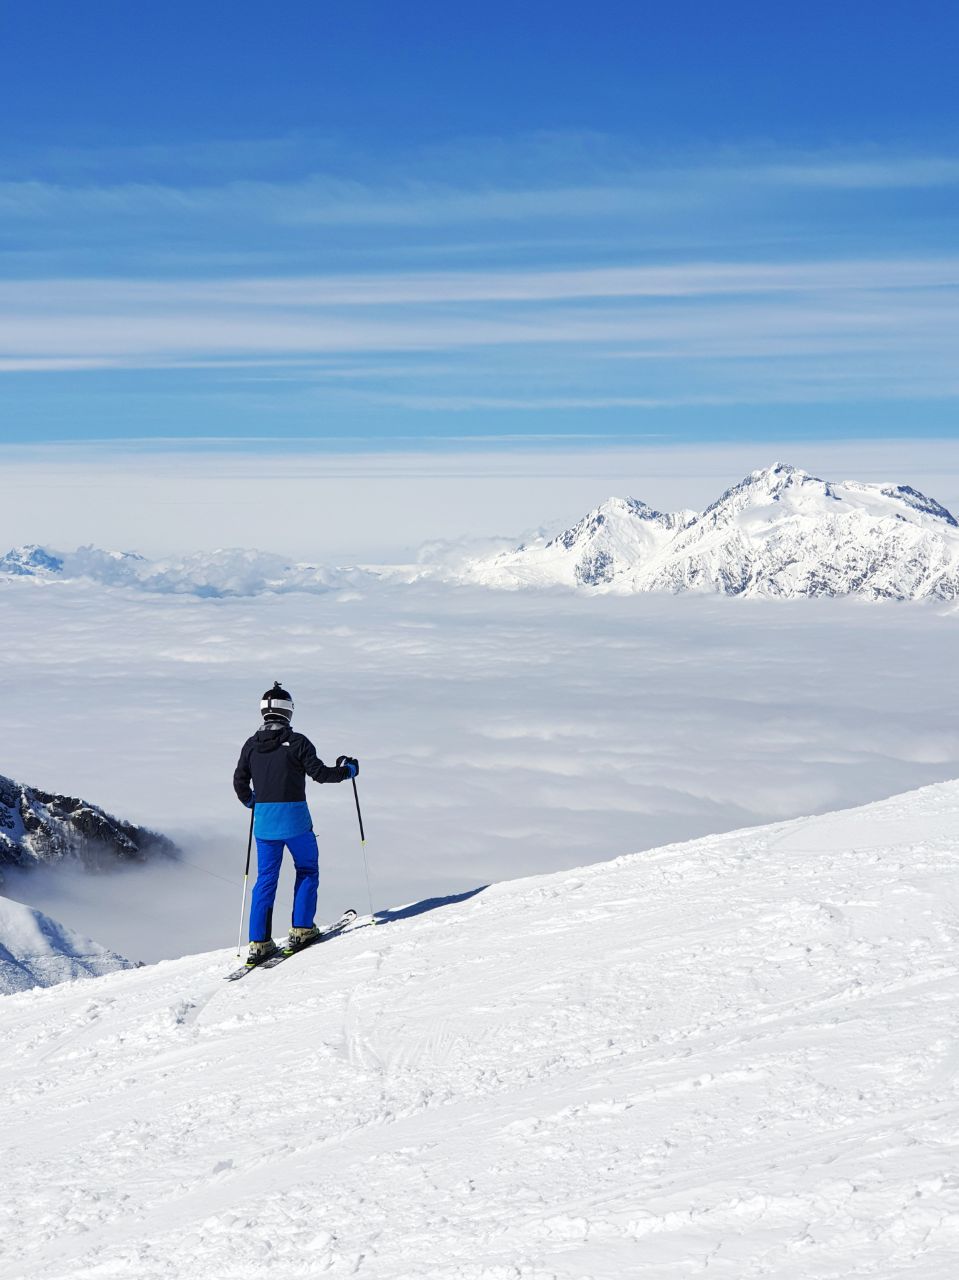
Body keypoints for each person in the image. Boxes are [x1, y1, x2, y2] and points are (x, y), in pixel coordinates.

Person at [233, 682, 358, 963]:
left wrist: (252, 801)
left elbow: (239, 781)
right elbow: (321, 774)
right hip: (296, 822)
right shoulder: (298, 742)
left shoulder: (251, 745)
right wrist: (348, 770)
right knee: (306, 869)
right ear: (288, 711)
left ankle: (259, 943)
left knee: (265, 879)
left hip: (264, 824)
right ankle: (301, 929)